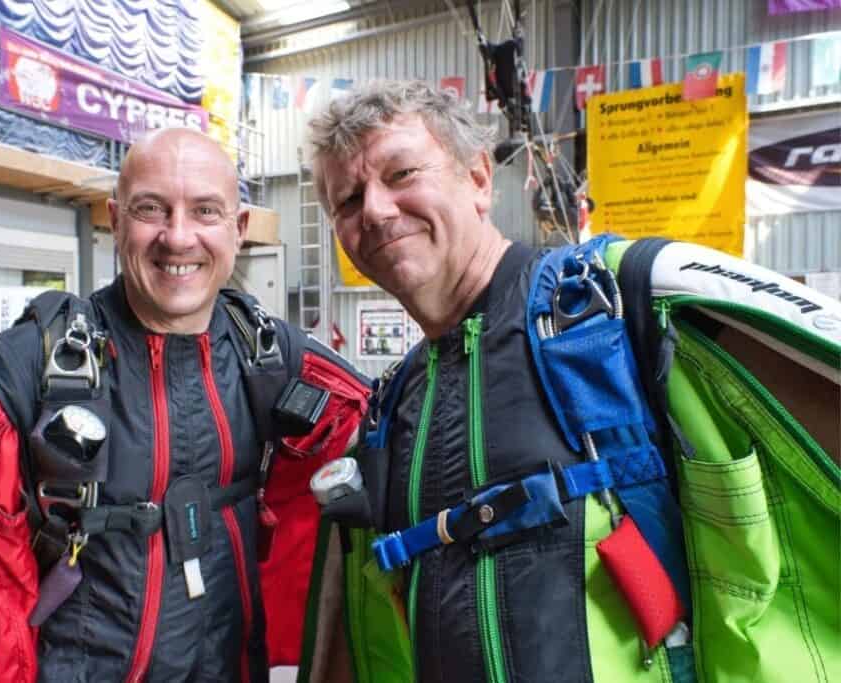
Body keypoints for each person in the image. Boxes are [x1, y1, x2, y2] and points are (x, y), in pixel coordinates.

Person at [304, 80, 839, 682]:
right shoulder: (392, 411)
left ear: (479, 178)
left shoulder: (627, 300)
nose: (374, 210)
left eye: (401, 173)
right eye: (347, 200)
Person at [0, 128, 369, 682]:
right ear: (116, 220)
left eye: (205, 210)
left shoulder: (277, 360)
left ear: (240, 227)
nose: (178, 237)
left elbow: (395, 459)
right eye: (151, 209)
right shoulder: (18, 374)